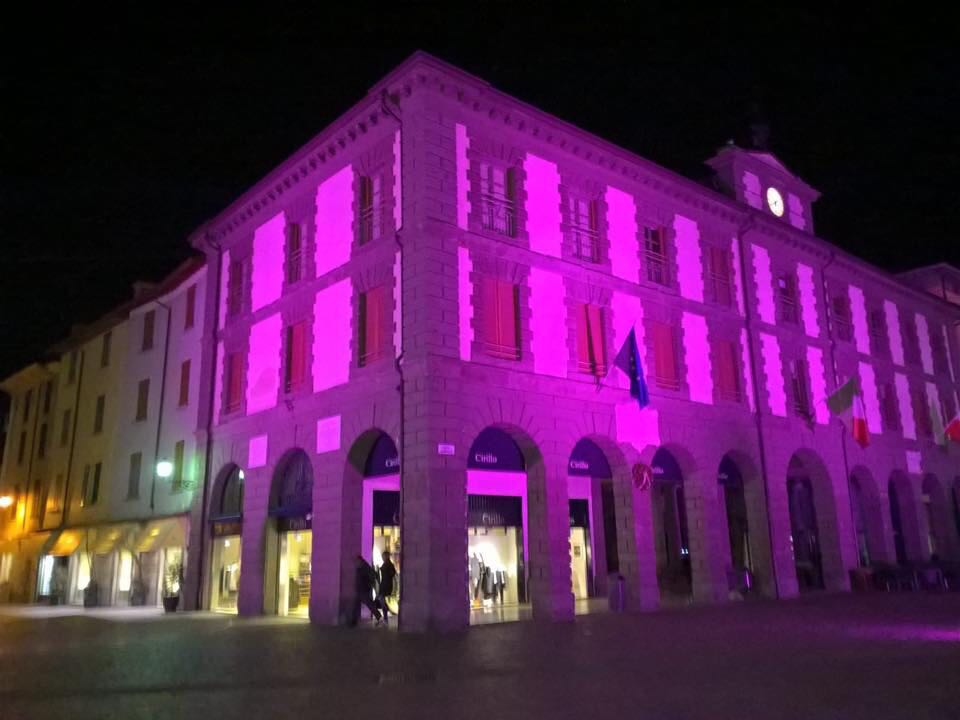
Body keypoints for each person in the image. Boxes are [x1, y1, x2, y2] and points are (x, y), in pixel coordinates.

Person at [350, 555, 381, 626]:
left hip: (363, 590)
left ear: (360, 561)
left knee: (369, 604)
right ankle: (353, 621)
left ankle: (379, 617)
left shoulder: (365, 568)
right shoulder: (359, 568)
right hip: (359, 590)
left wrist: (368, 585)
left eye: (357, 561)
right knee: (356, 605)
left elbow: (373, 575)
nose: (356, 563)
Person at [377, 550, 398, 624]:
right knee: (382, 600)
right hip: (385, 584)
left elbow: (392, 574)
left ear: (386, 556)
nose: (382, 557)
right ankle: (386, 617)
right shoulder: (387, 563)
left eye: (383, 556)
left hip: (386, 585)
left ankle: (386, 616)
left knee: (382, 600)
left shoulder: (389, 564)